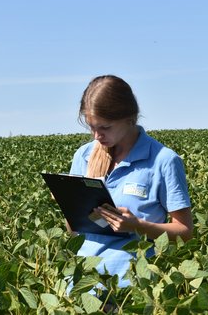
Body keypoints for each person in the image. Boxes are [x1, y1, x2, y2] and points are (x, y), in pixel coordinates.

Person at [68, 75, 194, 288]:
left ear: (129, 118)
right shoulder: (84, 155)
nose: (96, 136)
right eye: (91, 127)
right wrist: (69, 203)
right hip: (83, 282)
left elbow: (185, 232)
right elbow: (74, 232)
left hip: (132, 285)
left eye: (105, 127)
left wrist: (138, 226)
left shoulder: (163, 160)